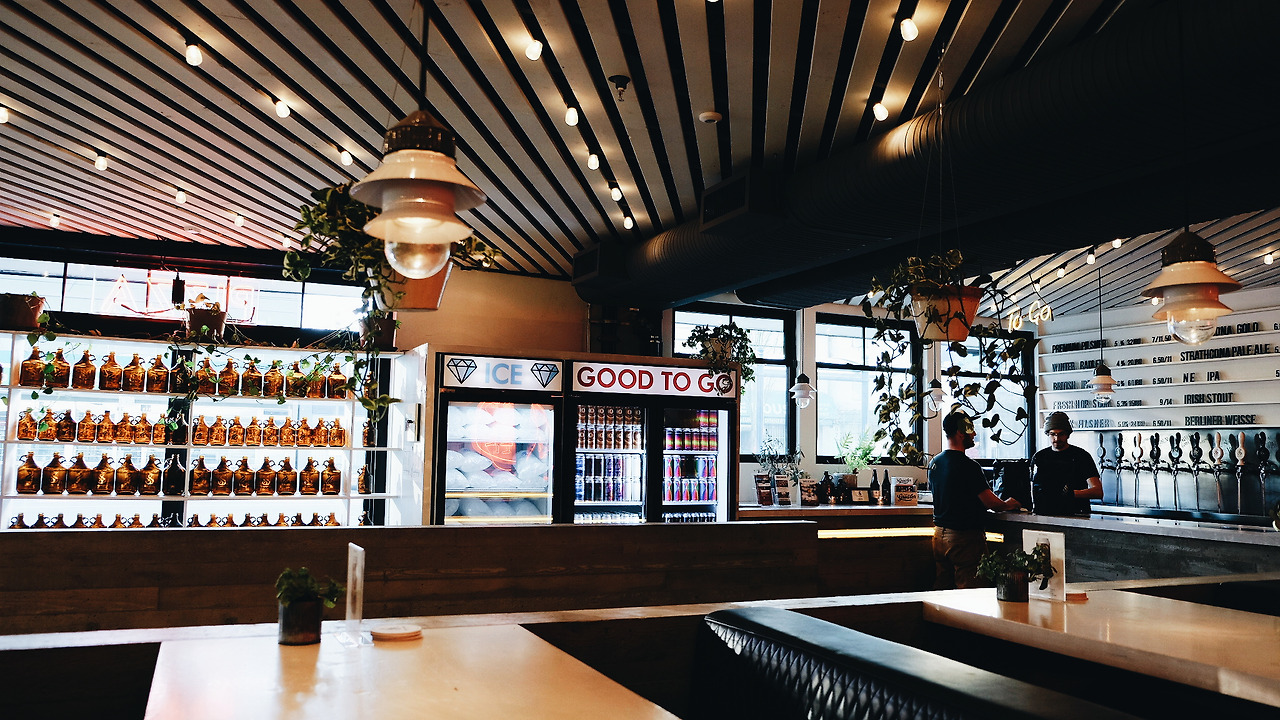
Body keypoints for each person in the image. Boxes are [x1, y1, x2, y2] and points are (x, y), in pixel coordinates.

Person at [929, 411, 1022, 589]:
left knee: (942, 591)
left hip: (939, 536)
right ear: (960, 433)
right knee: (972, 593)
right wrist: (1009, 503)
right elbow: (992, 503)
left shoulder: (935, 462)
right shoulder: (969, 466)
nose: (974, 434)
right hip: (963, 539)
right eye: (970, 430)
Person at [1031, 411, 1103, 515]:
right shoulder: (1039, 457)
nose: (1056, 439)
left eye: (1061, 434)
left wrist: (1069, 494)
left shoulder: (1081, 456)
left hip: (1076, 515)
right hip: (1044, 515)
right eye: (1053, 434)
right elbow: (1032, 489)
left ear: (1068, 434)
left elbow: (1097, 492)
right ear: (1048, 434)